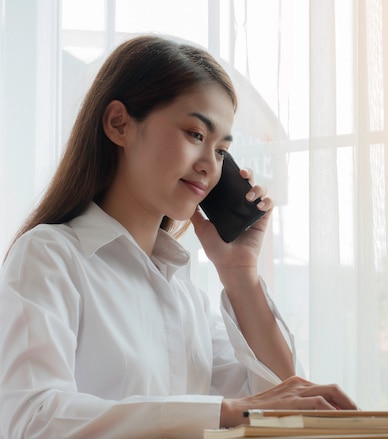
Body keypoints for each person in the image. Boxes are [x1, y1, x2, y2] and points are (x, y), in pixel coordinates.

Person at [0, 34, 356, 438]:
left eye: (222, 150)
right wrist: (221, 412)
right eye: (195, 135)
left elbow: (281, 405)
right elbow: (32, 419)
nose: (209, 165)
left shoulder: (185, 294)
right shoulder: (50, 256)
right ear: (119, 124)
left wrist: (241, 275)